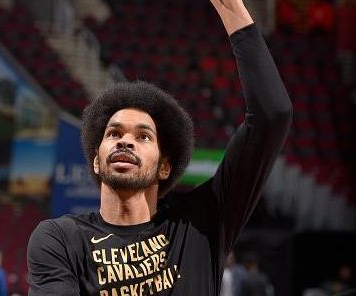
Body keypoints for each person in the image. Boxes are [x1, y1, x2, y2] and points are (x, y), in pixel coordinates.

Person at [27, 0, 293, 295]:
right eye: (113, 133)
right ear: (96, 161)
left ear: (164, 165)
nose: (125, 140)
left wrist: (231, 7)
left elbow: (273, 114)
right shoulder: (60, 238)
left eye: (143, 137)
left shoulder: (201, 221)